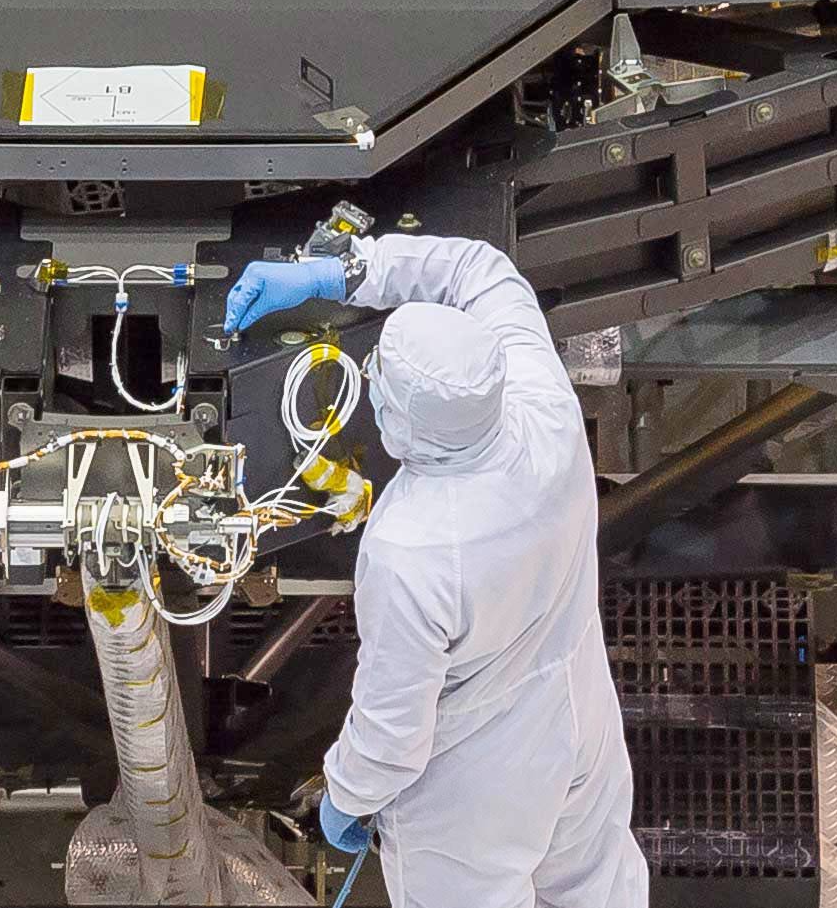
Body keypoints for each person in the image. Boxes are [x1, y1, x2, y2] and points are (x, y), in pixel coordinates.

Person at [225, 234, 648, 908]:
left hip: (473, 785)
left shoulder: (412, 548)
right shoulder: (545, 407)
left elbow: (394, 736)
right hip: (578, 723)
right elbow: (483, 269)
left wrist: (346, 794)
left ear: (402, 417)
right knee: (597, 892)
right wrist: (342, 269)